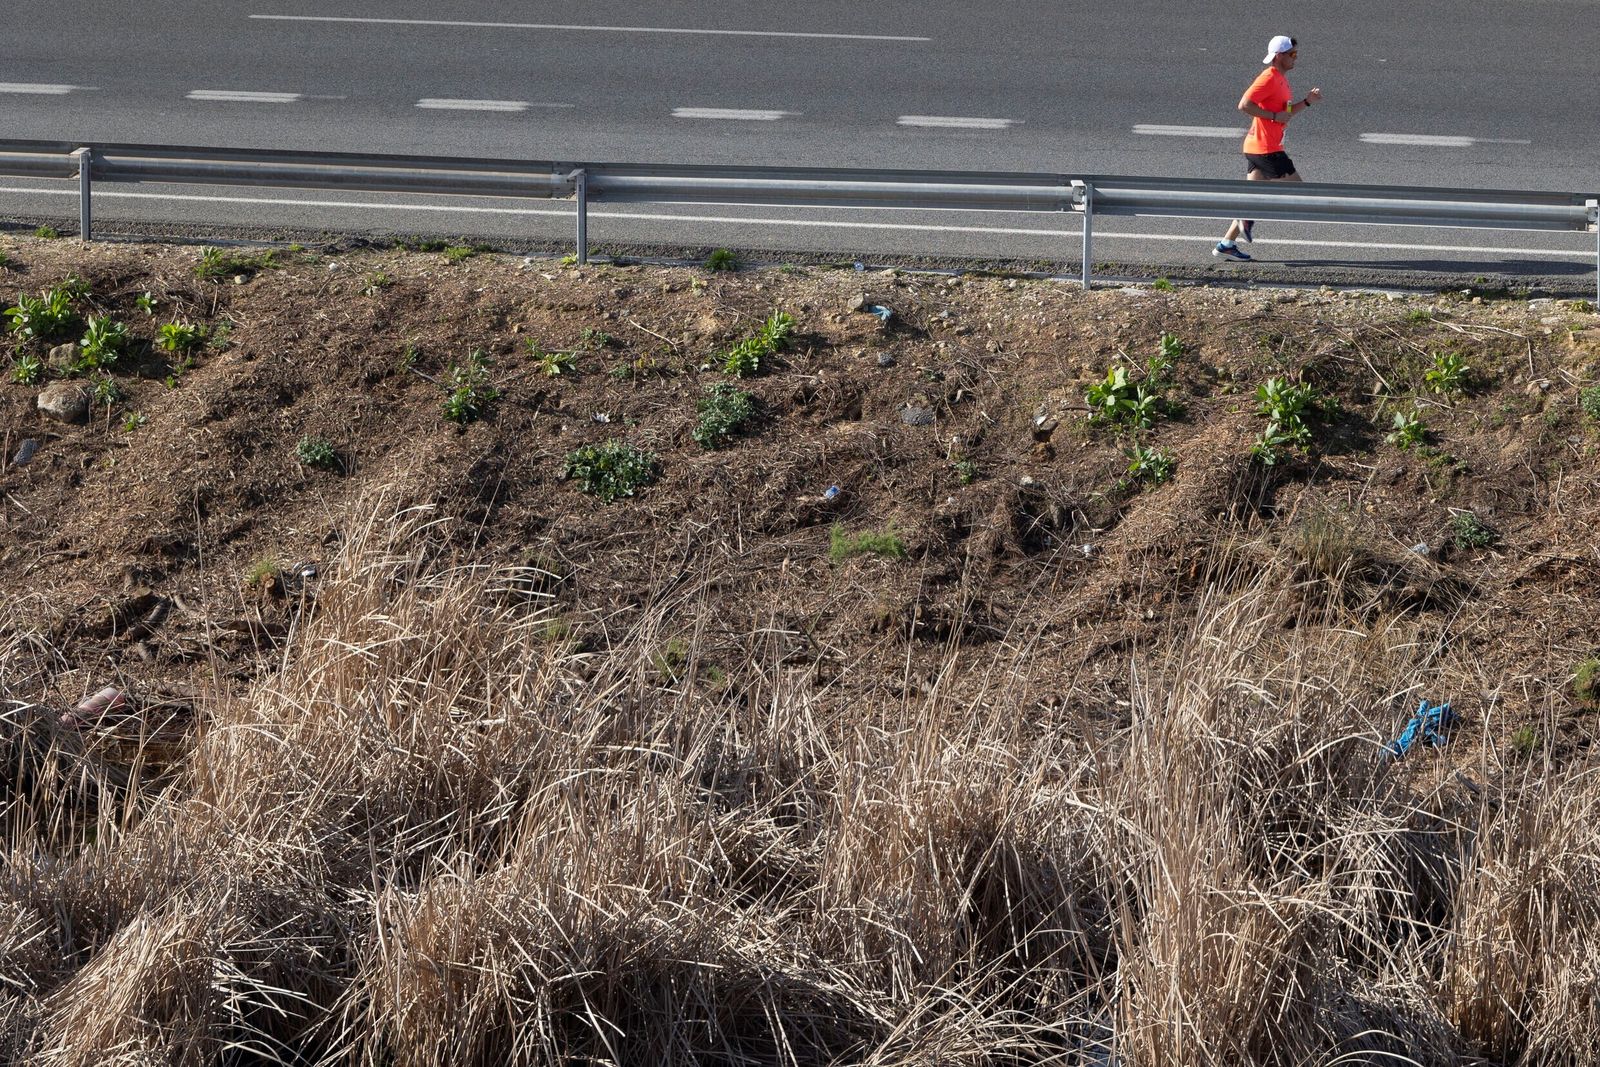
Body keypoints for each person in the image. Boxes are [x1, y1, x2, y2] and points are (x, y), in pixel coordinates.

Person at [1214, 35, 1322, 261]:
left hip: (1259, 147)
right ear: (1279, 56)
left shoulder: (1282, 80)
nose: (1295, 58)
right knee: (1299, 192)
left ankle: (1226, 244)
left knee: (1252, 198)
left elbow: (1285, 113)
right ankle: (1246, 217)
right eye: (1292, 54)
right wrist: (1272, 116)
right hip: (1267, 149)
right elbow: (1244, 105)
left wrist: (1307, 102)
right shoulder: (1269, 77)